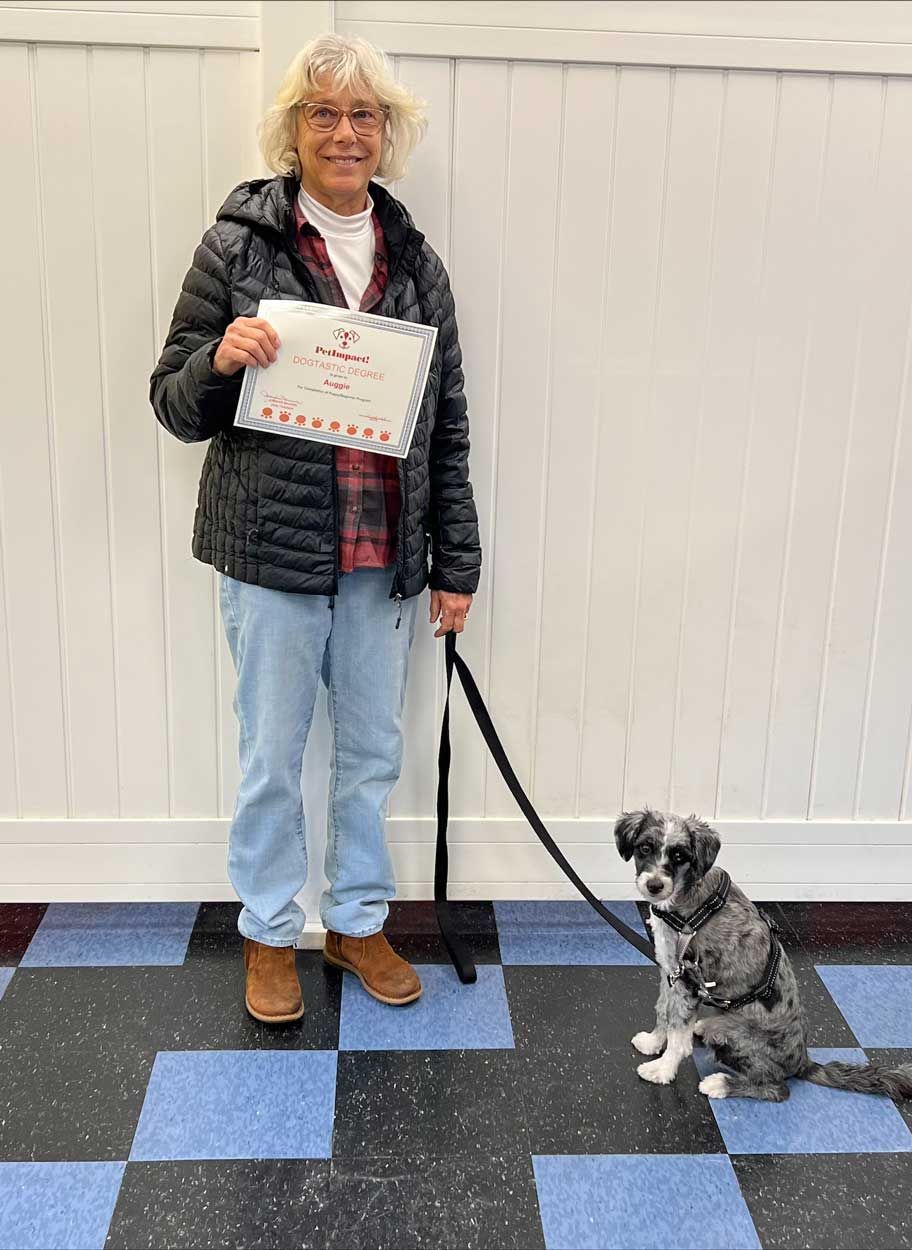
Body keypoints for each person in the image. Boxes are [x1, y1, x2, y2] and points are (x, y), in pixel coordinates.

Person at [149, 33, 480, 1024]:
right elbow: (170, 402)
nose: (343, 132)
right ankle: (265, 931)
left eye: (362, 115)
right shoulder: (236, 247)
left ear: (388, 134)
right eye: (322, 114)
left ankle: (356, 918)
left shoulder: (416, 264)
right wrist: (219, 358)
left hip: (383, 560)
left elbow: (448, 422)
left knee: (371, 754)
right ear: (293, 129)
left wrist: (456, 560)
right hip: (270, 556)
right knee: (271, 754)